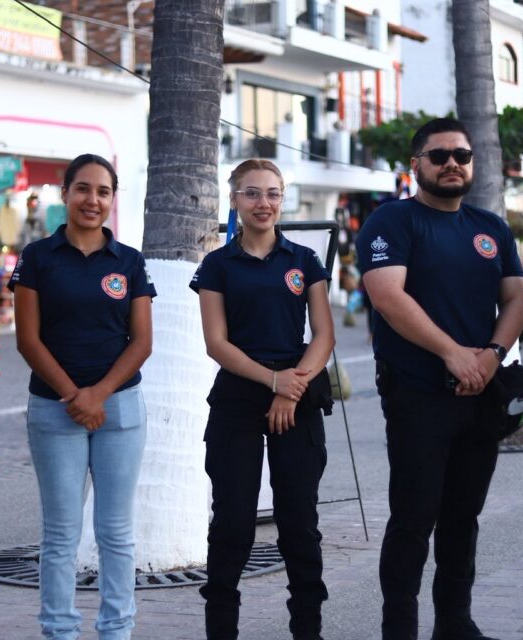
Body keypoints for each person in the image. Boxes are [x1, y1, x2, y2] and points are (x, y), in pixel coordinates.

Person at [357, 117, 523, 640]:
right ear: (416, 166)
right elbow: (388, 296)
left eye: (462, 155)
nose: (452, 163)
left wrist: (492, 357)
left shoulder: (491, 227)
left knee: (463, 517)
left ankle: (455, 625)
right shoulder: (392, 222)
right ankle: (399, 631)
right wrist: (455, 354)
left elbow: (517, 297)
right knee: (413, 519)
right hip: (417, 394)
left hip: (481, 392)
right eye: (439, 156)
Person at [9, 154, 154, 640]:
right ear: (65, 193)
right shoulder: (37, 257)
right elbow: (28, 340)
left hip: (120, 410)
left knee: (116, 534)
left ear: (113, 200)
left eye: (104, 192)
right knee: (60, 535)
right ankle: (60, 632)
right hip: (55, 409)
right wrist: (75, 396)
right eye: (83, 189)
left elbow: (142, 343)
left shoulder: (130, 262)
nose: (93, 200)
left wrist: (100, 395)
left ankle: (117, 631)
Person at [192, 159, 335, 640]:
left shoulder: (304, 260)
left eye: (273, 193)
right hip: (238, 395)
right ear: (234, 199)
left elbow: (324, 336)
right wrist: (274, 384)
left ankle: (308, 632)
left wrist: (290, 387)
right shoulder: (216, 265)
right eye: (252, 193)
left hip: (297, 394)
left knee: (299, 524)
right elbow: (217, 343)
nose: (264, 203)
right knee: (232, 523)